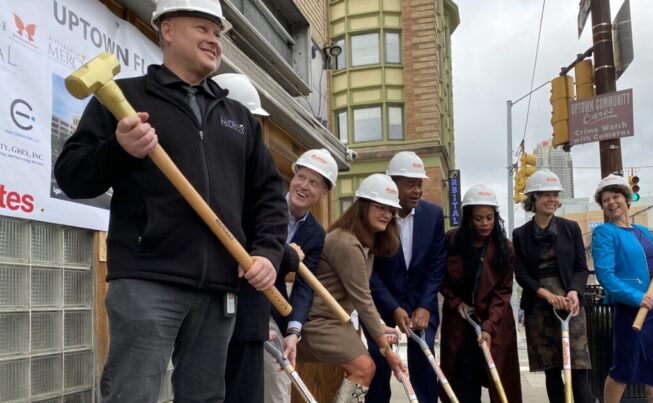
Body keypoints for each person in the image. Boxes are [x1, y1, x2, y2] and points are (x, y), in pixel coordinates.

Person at [53, 1, 288, 401]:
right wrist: (119, 149)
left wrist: (266, 252)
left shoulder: (237, 117)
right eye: (202, 28)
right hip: (147, 279)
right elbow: (72, 176)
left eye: (218, 33)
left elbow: (268, 195)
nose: (214, 40)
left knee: (205, 397)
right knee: (132, 394)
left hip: (219, 288)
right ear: (168, 29)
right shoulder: (124, 98)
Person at [214, 73, 337, 403]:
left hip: (267, 304)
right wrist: (284, 253)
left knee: (273, 381)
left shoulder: (314, 234)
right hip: (226, 289)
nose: (303, 186)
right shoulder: (263, 201)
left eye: (314, 183)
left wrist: (294, 329)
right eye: (301, 176)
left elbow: (305, 287)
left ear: (323, 193)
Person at [297, 174, 408, 402]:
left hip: (335, 320)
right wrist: (387, 352)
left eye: (391, 210)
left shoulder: (364, 242)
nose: (387, 214)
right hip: (318, 321)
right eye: (380, 207)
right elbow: (363, 299)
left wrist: (381, 325)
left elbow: (362, 298)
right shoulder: (347, 243)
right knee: (365, 367)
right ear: (363, 206)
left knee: (364, 369)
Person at [591, 174, 653, 403]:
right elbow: (606, 276)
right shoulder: (604, 233)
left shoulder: (642, 230)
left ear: (627, 199)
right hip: (633, 307)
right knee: (625, 365)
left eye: (616, 196)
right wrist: (637, 297)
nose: (612, 202)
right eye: (606, 200)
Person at [366, 151, 447, 403]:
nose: (417, 190)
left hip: (422, 305)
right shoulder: (378, 216)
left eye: (419, 184)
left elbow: (437, 264)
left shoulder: (433, 215)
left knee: (424, 368)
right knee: (378, 368)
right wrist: (392, 308)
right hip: (382, 307)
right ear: (394, 184)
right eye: (410, 184)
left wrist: (425, 306)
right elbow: (370, 271)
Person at [512, 170, 593, 403]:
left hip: (571, 304)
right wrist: (546, 295)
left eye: (555, 195)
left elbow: (581, 267)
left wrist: (573, 292)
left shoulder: (570, 228)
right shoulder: (521, 235)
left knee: (578, 368)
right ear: (533, 199)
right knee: (552, 369)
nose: (552, 200)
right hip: (539, 305)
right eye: (546, 195)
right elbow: (521, 273)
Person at [440, 184, 522, 403]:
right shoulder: (452, 241)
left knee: (500, 384)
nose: (485, 223)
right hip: (460, 323)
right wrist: (456, 303)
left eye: (489, 217)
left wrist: (488, 326)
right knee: (463, 382)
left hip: (494, 324)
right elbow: (441, 278)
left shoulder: (505, 248)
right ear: (468, 218)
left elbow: (503, 291)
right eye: (478, 219)